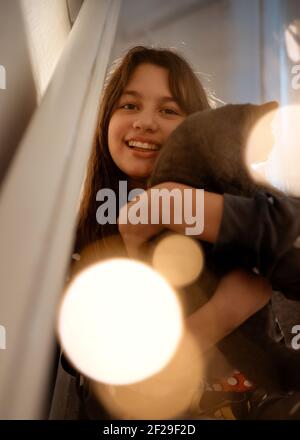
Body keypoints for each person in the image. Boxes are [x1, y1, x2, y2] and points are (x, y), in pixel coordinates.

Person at [60, 46, 297, 420]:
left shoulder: (242, 200)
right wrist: (220, 314)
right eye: (129, 105)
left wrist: (204, 212)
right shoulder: (76, 240)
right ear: (106, 118)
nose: (146, 122)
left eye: (169, 110)